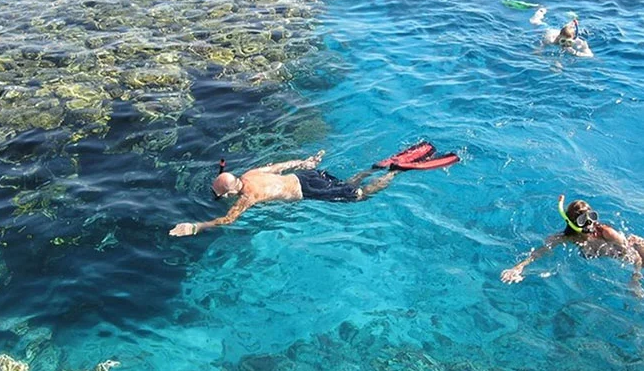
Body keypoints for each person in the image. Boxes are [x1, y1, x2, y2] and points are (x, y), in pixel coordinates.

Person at [169, 142, 459, 237]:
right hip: (307, 175)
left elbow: (227, 220)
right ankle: (376, 167)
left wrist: (196, 226)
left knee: (359, 196)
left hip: (307, 192)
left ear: (230, 193)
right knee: (348, 183)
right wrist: (307, 161)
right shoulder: (252, 173)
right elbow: (280, 165)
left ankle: (395, 172)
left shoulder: (249, 196)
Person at [501, 195, 644, 297]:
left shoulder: (606, 233)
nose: (590, 223)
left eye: (592, 216)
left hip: (637, 249)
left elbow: (636, 257)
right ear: (573, 223)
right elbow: (539, 252)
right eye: (583, 220)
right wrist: (518, 267)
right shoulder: (569, 237)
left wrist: (635, 280)